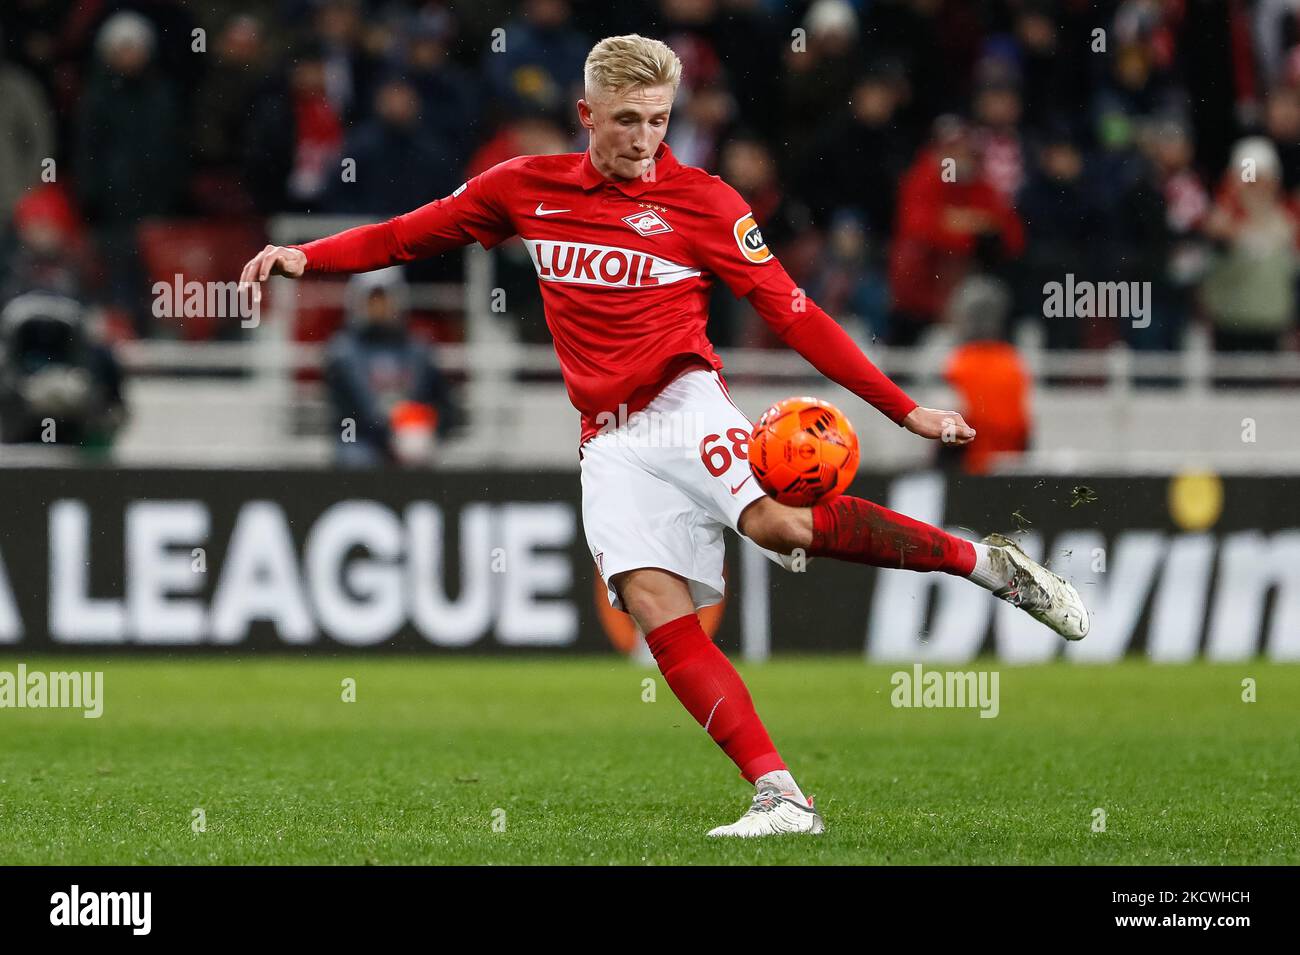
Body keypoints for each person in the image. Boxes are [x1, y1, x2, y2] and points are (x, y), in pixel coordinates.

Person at [240, 35, 1089, 838]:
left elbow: (795, 314)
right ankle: (781, 794)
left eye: (658, 119)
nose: (645, 139)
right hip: (605, 438)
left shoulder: (706, 203)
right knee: (656, 608)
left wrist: (905, 409)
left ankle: (988, 564)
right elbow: (405, 233)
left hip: (685, 403)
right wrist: (304, 258)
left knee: (781, 525)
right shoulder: (524, 187)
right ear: (587, 115)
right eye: (627, 120)